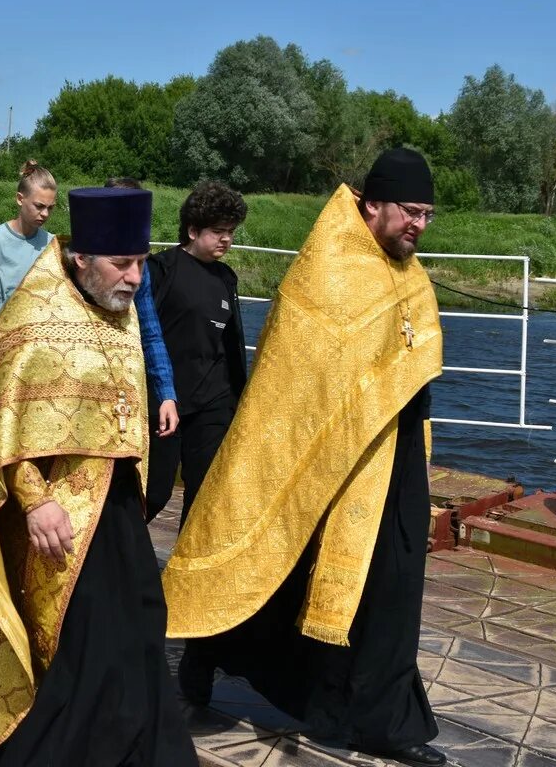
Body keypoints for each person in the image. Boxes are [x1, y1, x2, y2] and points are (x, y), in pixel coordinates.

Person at [163, 148, 445, 767]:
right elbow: (294, 381)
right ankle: (204, 657)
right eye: (408, 212)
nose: (418, 225)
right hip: (327, 457)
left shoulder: (410, 274)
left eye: (427, 214)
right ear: (372, 205)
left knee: (391, 591)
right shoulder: (328, 271)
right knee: (281, 562)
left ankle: (381, 721)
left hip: (394, 459)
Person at [0, 187, 197, 767]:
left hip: (115, 501)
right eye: (123, 264)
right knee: (87, 640)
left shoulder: (119, 307)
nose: (136, 279)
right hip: (57, 516)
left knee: (142, 621)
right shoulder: (34, 316)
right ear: (82, 257)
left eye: (141, 263)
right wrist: (36, 502)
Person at [145, 180, 248, 523]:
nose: (226, 239)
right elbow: (144, 331)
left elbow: (230, 342)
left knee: (204, 493)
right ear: (192, 230)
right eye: (218, 231)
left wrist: (237, 399)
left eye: (230, 232)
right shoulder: (161, 269)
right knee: (155, 493)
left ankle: (185, 573)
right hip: (165, 398)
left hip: (213, 401)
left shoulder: (226, 278)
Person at [105, 176, 179, 441]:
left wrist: (166, 394)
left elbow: (150, 332)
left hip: (122, 381)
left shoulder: (141, 267)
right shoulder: (77, 257)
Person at [0, 160, 55, 348]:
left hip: (37, 347)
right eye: (39, 206)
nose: (45, 214)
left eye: (50, 207)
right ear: (20, 199)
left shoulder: (52, 244)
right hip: (0, 344)